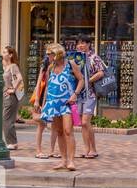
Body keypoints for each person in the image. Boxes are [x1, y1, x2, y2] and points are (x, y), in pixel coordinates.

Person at [37, 43, 86, 171]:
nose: (47, 56)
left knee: (68, 131)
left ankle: (71, 161)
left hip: (67, 103)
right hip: (53, 104)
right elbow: (48, 86)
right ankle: (63, 160)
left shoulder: (70, 64)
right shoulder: (50, 68)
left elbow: (81, 80)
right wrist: (44, 104)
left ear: (57, 54)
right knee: (59, 132)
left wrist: (75, 94)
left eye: (50, 54)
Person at [71, 35, 106, 160]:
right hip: (78, 94)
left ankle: (93, 149)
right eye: (78, 43)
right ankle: (87, 149)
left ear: (89, 44)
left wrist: (88, 80)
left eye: (83, 43)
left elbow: (101, 72)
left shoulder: (93, 57)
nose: (81, 45)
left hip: (90, 94)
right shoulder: (75, 58)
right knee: (82, 124)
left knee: (86, 121)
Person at [1, 45, 24, 151]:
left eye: (5, 52)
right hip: (4, 96)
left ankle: (12, 143)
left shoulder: (13, 66)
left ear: (10, 55)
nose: (3, 54)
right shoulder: (5, 66)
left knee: (7, 120)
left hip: (10, 97)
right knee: (6, 119)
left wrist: (13, 89)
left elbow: (19, 78)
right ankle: (11, 142)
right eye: (3, 52)